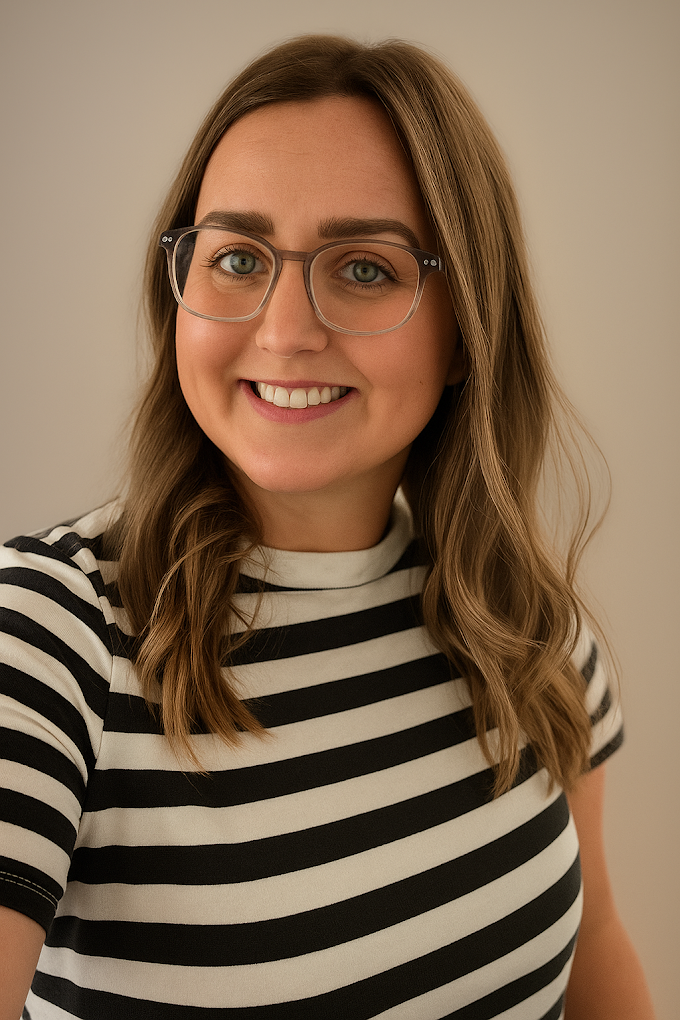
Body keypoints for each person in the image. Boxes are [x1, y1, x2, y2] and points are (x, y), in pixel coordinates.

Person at [0, 34, 655, 1020]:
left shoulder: (529, 628)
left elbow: (595, 941)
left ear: (466, 333)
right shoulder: (45, 637)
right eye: (236, 258)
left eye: (363, 269)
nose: (284, 331)